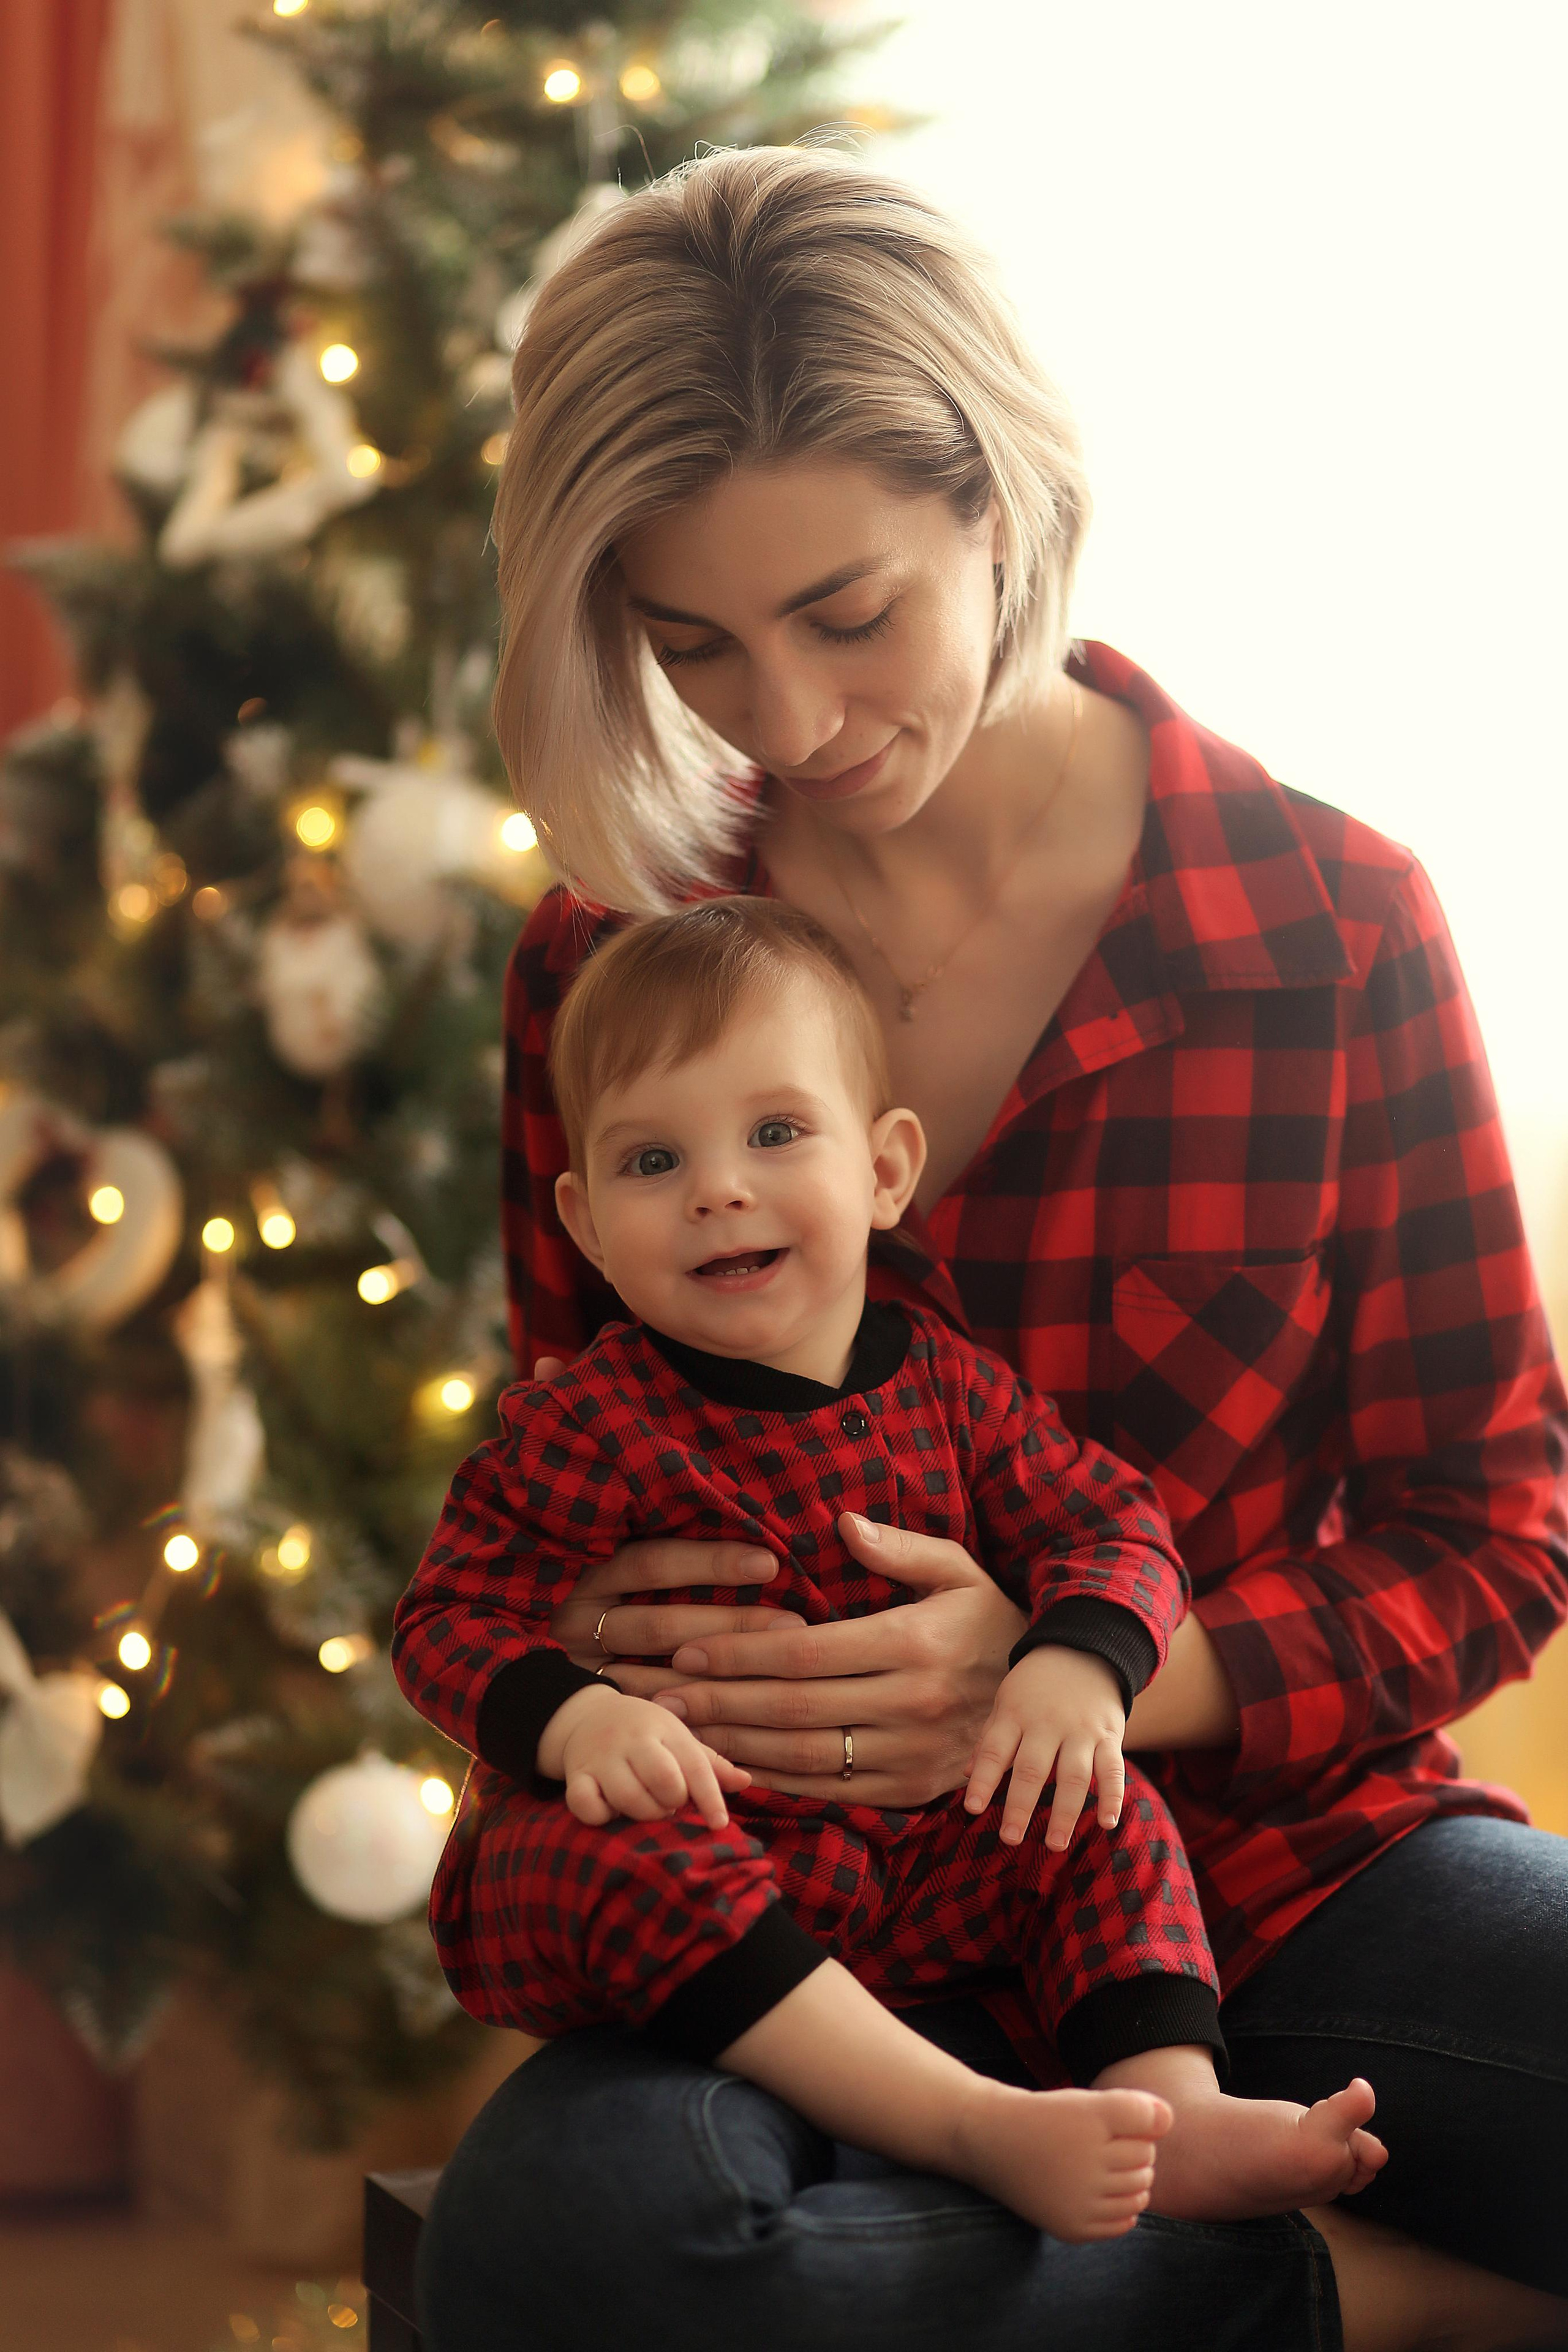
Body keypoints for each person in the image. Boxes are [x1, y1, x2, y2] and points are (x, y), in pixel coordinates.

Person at [417, 148, 1568, 2352]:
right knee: (574, 2257)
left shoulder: (1333, 926)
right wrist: (579, 1653)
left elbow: (1495, 1531)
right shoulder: (609, 964)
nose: (782, 720)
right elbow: (561, 1460)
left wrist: (1092, 1674)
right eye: (692, 648)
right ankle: (1340, 2291)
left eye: (847, 615)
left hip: (1267, 1864)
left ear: (1003, 502)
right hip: (777, 1934)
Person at [393, 897, 1390, 2239]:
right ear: (581, 1221)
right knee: (607, 1855)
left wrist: (1076, 1668)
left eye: (773, 1133)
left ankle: (1171, 2110)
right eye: (650, 1162)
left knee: (1097, 1805)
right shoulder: (588, 1421)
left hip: (932, 1863)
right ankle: (971, 2126)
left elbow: (1113, 1524)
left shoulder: (955, 1395)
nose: (717, 1189)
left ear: (882, 1171)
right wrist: (576, 1714)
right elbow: (447, 1615)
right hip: (708, 1859)